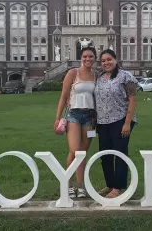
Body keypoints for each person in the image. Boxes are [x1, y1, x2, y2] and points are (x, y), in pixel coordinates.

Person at [54, 47, 97, 198]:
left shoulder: (95, 75)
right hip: (74, 115)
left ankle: (80, 186)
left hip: (90, 116)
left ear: (94, 58)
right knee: (74, 150)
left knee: (83, 153)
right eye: (85, 56)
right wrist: (58, 117)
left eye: (91, 57)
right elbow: (63, 96)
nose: (87, 59)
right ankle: (69, 184)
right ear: (81, 58)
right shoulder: (73, 73)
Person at [94, 49, 138, 198]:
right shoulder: (100, 78)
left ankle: (118, 187)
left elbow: (132, 99)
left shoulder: (125, 76)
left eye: (109, 59)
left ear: (115, 59)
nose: (106, 63)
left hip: (120, 120)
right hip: (103, 122)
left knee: (119, 154)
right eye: (103, 61)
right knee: (105, 155)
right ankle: (110, 184)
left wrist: (127, 123)